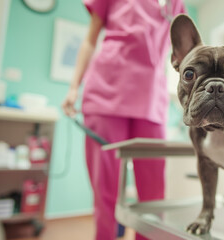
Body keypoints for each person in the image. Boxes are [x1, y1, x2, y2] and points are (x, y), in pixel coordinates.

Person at [61, 0, 186, 239]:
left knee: (154, 195)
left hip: (152, 97)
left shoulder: (177, 4)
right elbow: (90, 40)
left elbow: (181, 54)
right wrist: (73, 87)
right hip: (107, 90)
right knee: (106, 190)